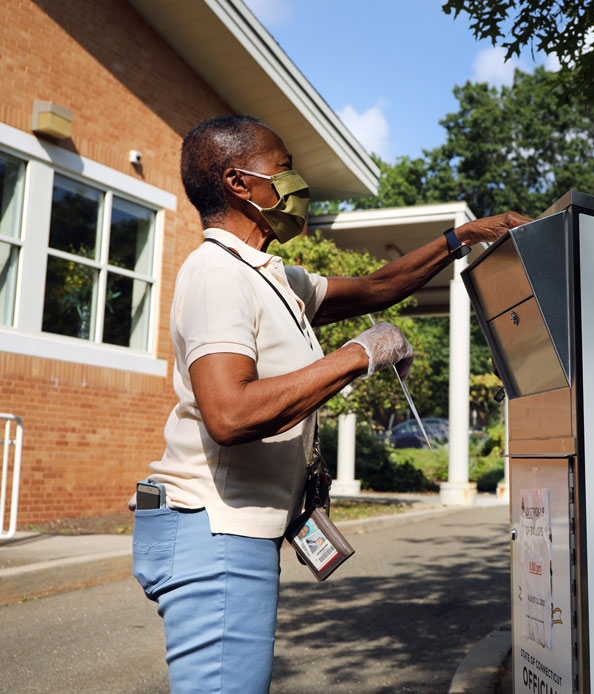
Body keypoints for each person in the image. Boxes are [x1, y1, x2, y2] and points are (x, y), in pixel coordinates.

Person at [131, 114, 530, 693]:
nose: (297, 182)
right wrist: (356, 355)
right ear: (239, 184)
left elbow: (374, 288)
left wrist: (459, 239)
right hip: (213, 530)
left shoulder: (272, 277)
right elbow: (231, 414)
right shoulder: (217, 274)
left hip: (231, 529)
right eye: (283, 168)